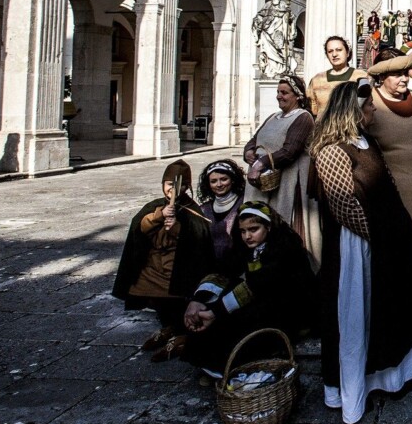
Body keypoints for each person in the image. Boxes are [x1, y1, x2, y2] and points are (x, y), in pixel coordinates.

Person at [311, 80, 412, 424]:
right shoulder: (332, 149)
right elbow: (343, 204)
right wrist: (378, 236)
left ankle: (388, 378)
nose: (374, 109)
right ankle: (352, 391)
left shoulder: (368, 141)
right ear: (353, 111)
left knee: (385, 310)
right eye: (368, 105)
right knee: (355, 313)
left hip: (381, 243)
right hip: (355, 245)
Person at [183, 201, 321, 378]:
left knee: (236, 321)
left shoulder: (286, 249)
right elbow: (224, 270)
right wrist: (198, 300)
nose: (247, 236)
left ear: (268, 227)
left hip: (290, 308)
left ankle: (229, 367)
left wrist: (216, 312)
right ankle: (211, 366)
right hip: (263, 298)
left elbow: (258, 284)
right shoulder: (247, 247)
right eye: (243, 231)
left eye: (253, 229)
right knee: (218, 303)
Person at [112, 160, 215, 363]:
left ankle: (180, 334)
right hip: (153, 265)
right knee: (148, 292)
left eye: (180, 185)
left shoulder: (192, 209)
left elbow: (197, 238)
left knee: (175, 298)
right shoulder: (154, 206)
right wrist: (159, 216)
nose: (173, 189)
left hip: (177, 267)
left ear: (187, 187)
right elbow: (139, 227)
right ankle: (168, 328)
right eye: (169, 184)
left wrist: (176, 227)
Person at [365, 52, 412, 292]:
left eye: (405, 73)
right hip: (386, 195)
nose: (404, 79)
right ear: (382, 76)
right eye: (396, 74)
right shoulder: (370, 104)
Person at [244, 76, 320, 266]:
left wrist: (260, 164)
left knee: (285, 226)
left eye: (284, 93)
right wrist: (249, 152)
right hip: (264, 183)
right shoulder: (273, 117)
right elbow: (254, 139)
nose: (279, 96)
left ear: (298, 96)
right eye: (278, 92)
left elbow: (290, 151)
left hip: (289, 182)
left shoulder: (303, 118)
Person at [307, 36, 368, 118]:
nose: (334, 54)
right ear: (327, 55)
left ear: (347, 53)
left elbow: (368, 107)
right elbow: (312, 109)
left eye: (339, 50)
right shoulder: (317, 79)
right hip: (322, 125)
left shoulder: (361, 76)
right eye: (330, 51)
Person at [198, 159, 246, 260]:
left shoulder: (244, 204)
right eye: (213, 181)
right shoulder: (203, 209)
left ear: (233, 180)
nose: (219, 184)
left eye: (224, 179)